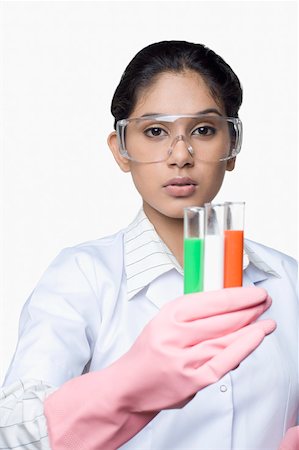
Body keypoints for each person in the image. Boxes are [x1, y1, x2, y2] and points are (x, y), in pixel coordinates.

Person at [0, 41, 298, 450]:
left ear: (232, 147)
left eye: (204, 130)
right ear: (121, 150)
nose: (180, 155)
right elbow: (14, 432)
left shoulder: (288, 280)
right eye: (155, 132)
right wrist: (127, 387)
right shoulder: (83, 277)